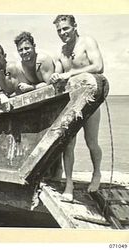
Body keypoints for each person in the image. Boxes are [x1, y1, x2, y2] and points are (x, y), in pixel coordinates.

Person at [49, 15, 104, 201]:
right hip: (71, 104)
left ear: (74, 27)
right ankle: (69, 183)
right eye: (59, 30)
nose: (62, 33)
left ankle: (97, 174)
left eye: (65, 28)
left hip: (90, 101)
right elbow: (57, 72)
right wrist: (56, 76)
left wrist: (70, 73)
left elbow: (99, 66)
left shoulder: (87, 42)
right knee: (68, 144)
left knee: (91, 142)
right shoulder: (61, 51)